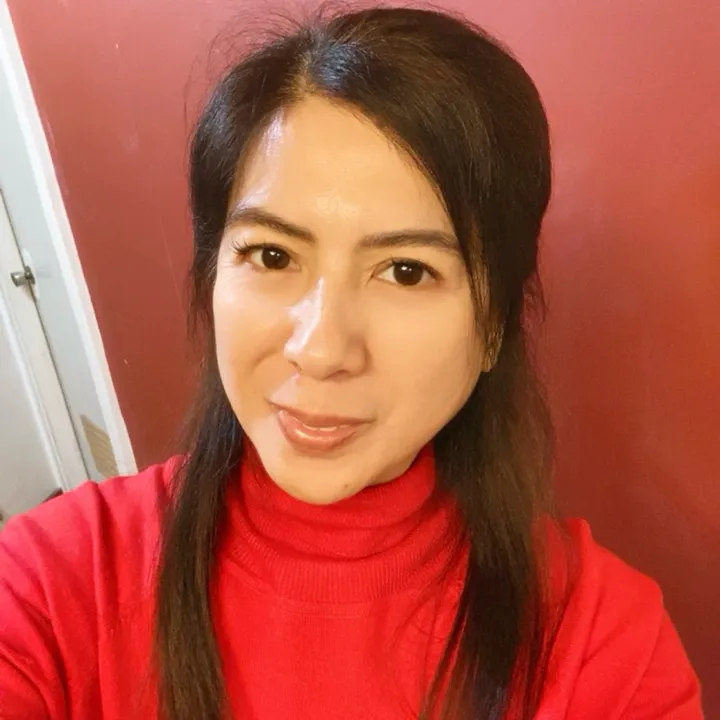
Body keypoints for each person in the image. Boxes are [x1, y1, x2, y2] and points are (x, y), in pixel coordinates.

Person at [0, 6, 703, 720]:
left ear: (494, 326)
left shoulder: (603, 649)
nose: (320, 349)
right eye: (272, 255)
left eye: (406, 270)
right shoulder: (50, 582)